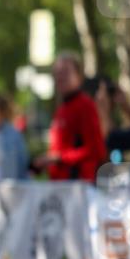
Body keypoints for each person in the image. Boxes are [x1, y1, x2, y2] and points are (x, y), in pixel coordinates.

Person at [41, 52, 106, 181]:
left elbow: (97, 151)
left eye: (65, 72)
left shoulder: (85, 105)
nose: (60, 77)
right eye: (57, 73)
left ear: (79, 76)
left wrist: (59, 158)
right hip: (61, 185)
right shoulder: (62, 108)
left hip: (77, 185)